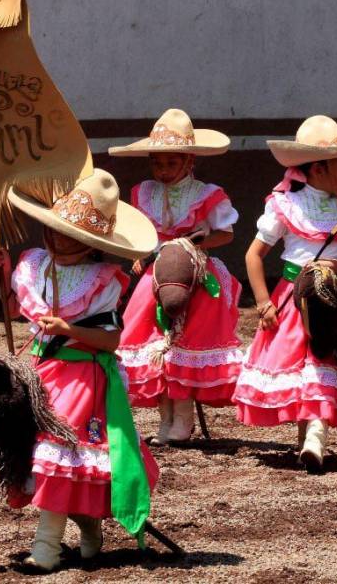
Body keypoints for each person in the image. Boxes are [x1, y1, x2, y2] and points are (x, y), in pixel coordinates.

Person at [0, 169, 159, 571]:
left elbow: (112, 340)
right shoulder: (32, 266)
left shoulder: (104, 280)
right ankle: (89, 531)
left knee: (59, 452)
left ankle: (45, 550)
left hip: (83, 376)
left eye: (72, 234)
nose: (60, 239)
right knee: (46, 457)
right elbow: (15, 309)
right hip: (40, 372)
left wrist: (69, 328)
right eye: (57, 229)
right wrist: (2, 272)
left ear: (90, 243)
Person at [232, 115, 337, 472]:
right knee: (303, 365)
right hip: (293, 299)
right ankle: (308, 434)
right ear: (317, 169)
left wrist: (335, 269)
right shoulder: (285, 204)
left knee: (324, 360)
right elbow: (253, 254)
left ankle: (316, 436)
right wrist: (262, 302)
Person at [109, 109, 243, 443]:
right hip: (157, 272)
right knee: (155, 342)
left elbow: (225, 233)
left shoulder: (206, 194)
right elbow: (140, 232)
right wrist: (141, 254)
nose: (163, 171)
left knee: (184, 341)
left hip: (193, 275)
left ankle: (182, 420)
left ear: (188, 162)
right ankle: (164, 418)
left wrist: (194, 245)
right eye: (158, 163)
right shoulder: (143, 192)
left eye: (172, 164)